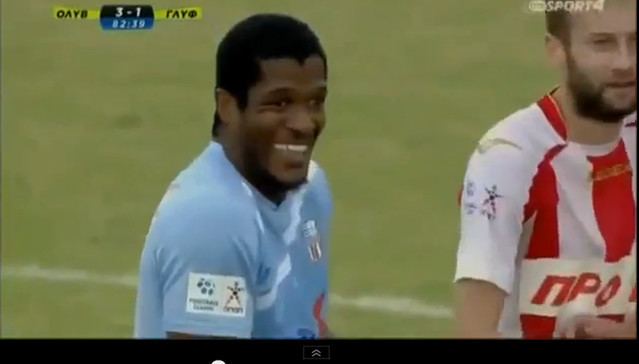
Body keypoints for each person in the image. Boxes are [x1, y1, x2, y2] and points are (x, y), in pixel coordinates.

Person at [133, 13, 333, 339]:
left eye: (315, 102)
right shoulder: (212, 219)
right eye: (279, 103)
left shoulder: (311, 190)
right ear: (227, 106)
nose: (305, 123)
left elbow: (307, 333)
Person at [454, 0, 636, 339]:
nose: (625, 62)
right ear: (557, 51)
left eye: (635, 41)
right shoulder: (508, 158)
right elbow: (475, 330)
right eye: (603, 43)